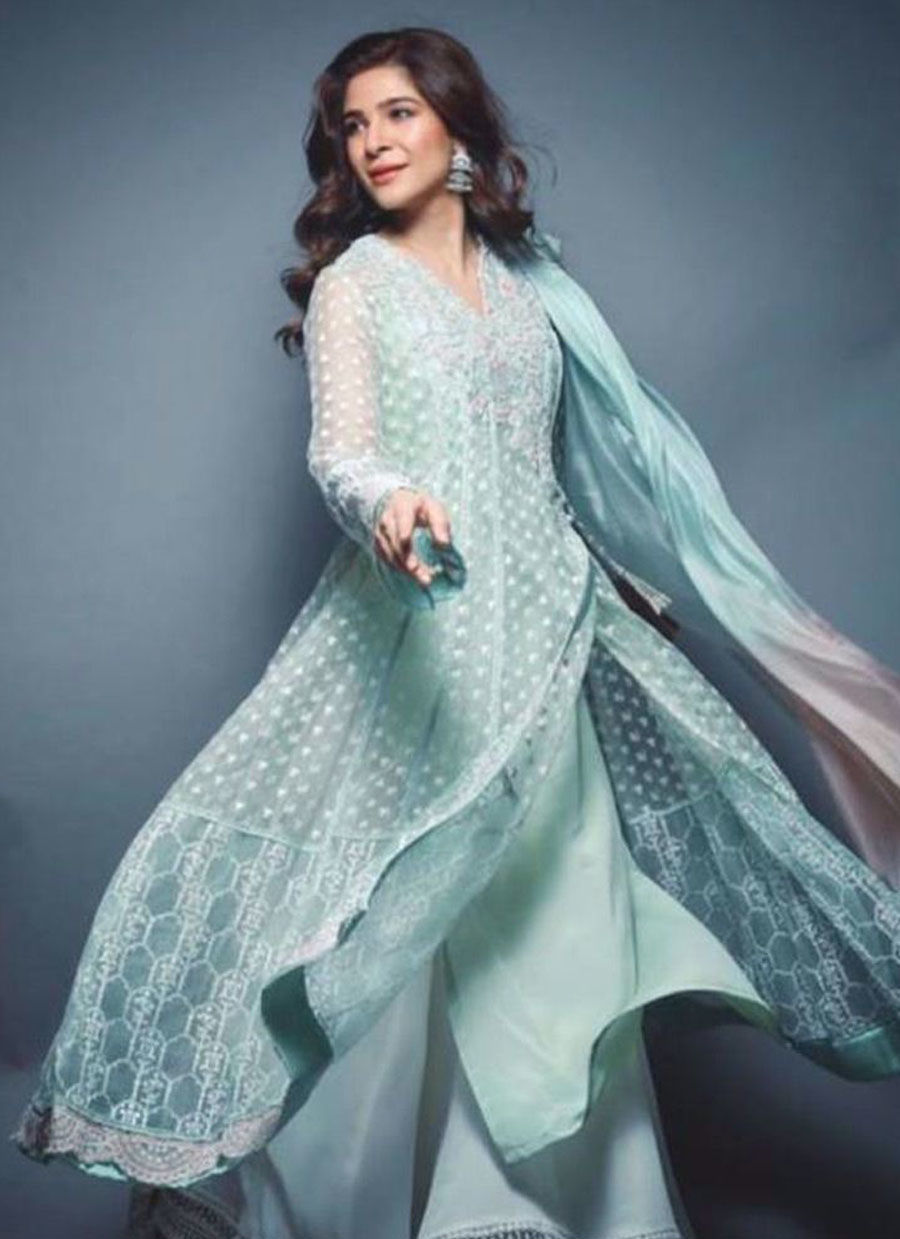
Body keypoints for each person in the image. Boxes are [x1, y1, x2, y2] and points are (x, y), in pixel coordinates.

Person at [12, 25, 900, 1239]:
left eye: (398, 114)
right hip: (422, 646)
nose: (373, 142)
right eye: (353, 125)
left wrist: (625, 583)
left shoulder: (538, 297)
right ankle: (363, 1207)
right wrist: (387, 505)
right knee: (400, 935)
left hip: (549, 648)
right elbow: (341, 449)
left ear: (459, 129)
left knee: (559, 925)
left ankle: (571, 1212)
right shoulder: (357, 284)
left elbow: (563, 472)